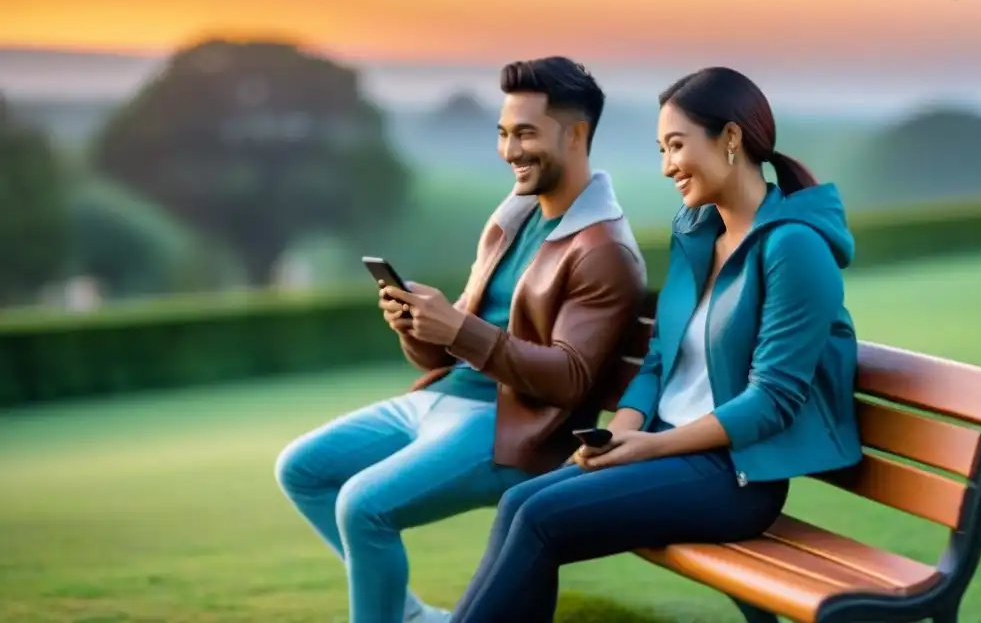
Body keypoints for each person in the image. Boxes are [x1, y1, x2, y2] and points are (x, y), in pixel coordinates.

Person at [449, 66, 864, 623]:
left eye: (676, 145)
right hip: (665, 450)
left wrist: (650, 448)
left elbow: (773, 400)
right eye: (661, 148)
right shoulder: (698, 234)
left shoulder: (794, 249)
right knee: (520, 503)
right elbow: (660, 360)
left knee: (540, 518)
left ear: (731, 139)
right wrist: (621, 433)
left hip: (732, 477)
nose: (667, 165)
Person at [274, 56, 647, 623]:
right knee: (302, 468)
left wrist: (460, 330)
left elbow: (570, 380)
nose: (510, 150)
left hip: (512, 428)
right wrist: (419, 329)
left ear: (575, 136)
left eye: (525, 133)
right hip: (447, 395)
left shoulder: (603, 251)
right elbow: (456, 344)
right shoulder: (513, 217)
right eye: (503, 133)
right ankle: (411, 616)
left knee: (362, 506)